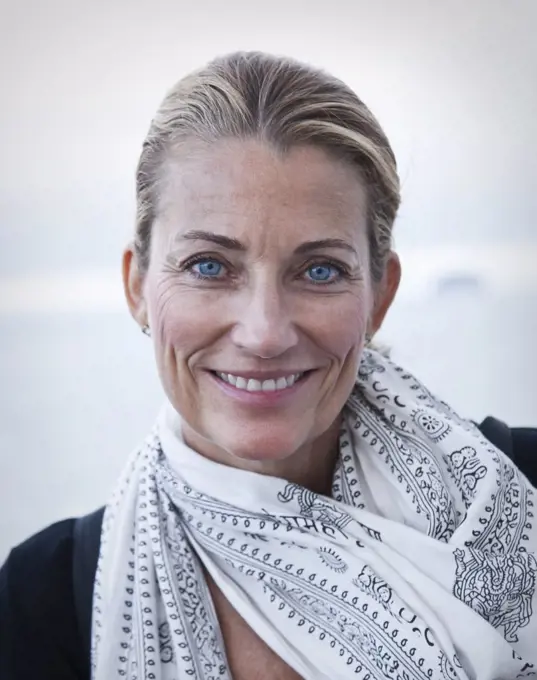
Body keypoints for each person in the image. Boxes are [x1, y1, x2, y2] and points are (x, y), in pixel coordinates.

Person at [1, 51, 536, 680]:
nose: (263, 333)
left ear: (379, 297)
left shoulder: (523, 493)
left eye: (319, 270)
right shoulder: (40, 609)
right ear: (137, 284)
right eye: (208, 265)